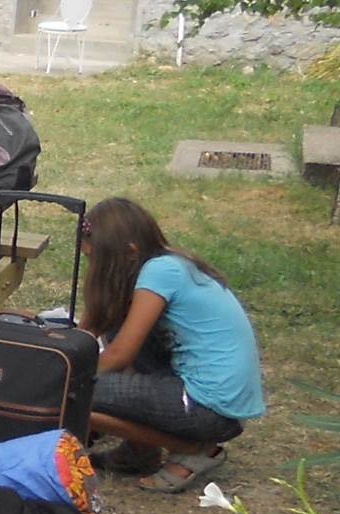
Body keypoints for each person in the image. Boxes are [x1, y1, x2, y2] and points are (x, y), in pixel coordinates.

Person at [79, 197, 263, 491]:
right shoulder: (163, 265)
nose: (93, 268)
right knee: (111, 333)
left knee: (75, 392)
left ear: (129, 252)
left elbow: (120, 355)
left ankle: (194, 449)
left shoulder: (161, 272)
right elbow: (94, 329)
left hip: (208, 408)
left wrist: (66, 377)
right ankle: (140, 450)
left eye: (96, 261)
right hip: (210, 400)